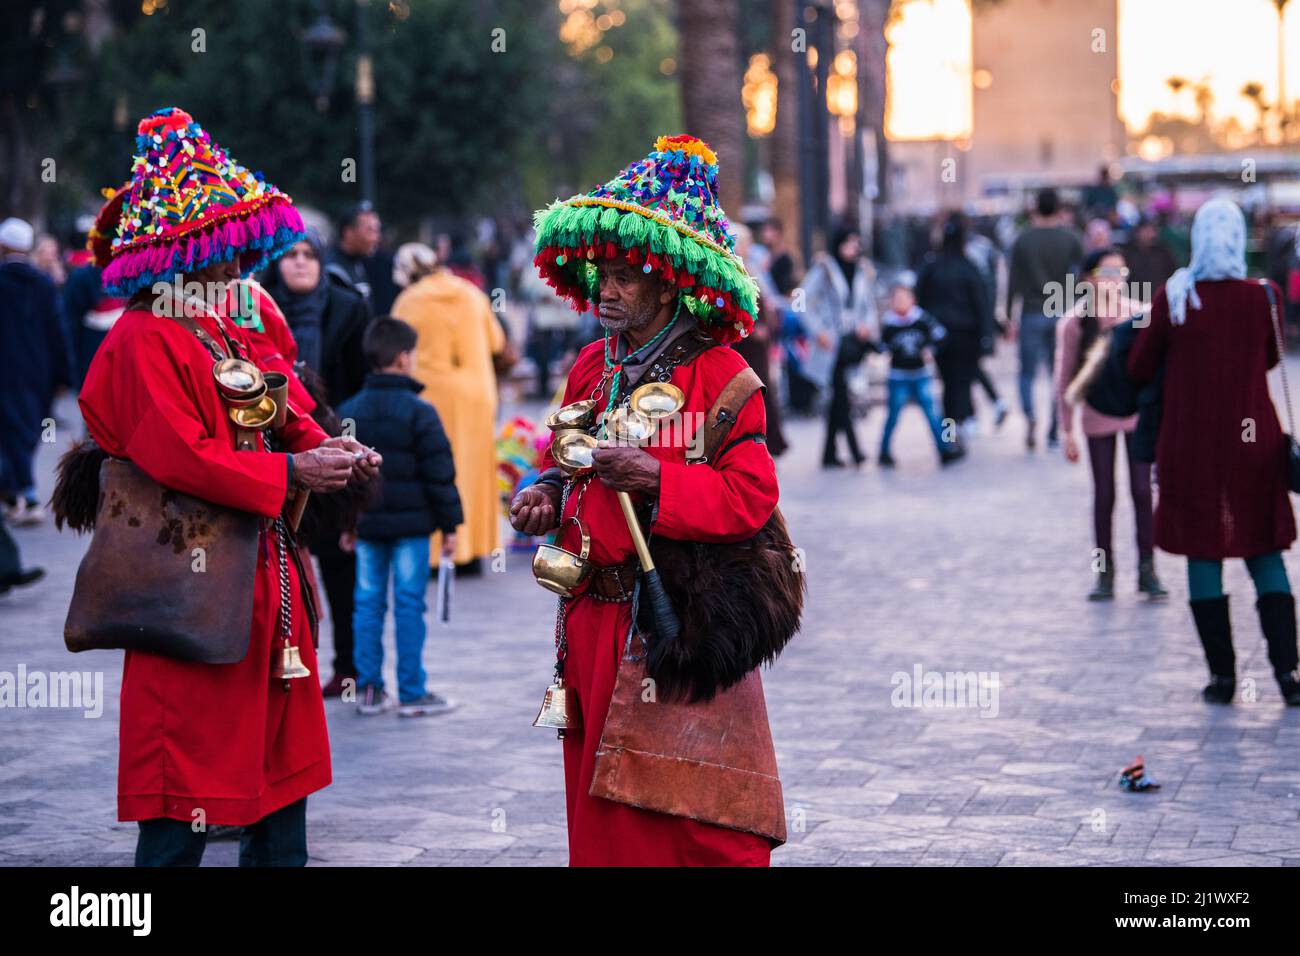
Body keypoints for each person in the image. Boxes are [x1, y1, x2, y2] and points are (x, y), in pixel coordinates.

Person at [74, 107, 381, 866]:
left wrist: (332, 449)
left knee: (280, 768)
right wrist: (290, 472)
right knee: (188, 766)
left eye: (235, 252)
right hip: (189, 577)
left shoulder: (220, 327)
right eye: (216, 256)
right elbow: (184, 456)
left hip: (263, 574)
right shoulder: (142, 340)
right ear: (173, 258)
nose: (233, 269)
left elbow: (283, 403)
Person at [513, 134, 791, 865]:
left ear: (668, 284)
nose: (605, 289)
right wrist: (544, 491)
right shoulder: (587, 366)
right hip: (588, 625)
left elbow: (752, 496)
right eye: (600, 274)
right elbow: (563, 464)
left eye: (626, 276)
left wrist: (658, 480)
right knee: (604, 814)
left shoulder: (723, 374)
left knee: (699, 821)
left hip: (674, 624)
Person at [1128, 198, 1300, 706]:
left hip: (1191, 446)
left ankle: (1223, 679)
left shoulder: (1175, 297)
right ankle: (1288, 677)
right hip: (1255, 445)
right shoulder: (1264, 295)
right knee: (1264, 550)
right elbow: (1270, 358)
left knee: (1205, 552)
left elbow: (1140, 366)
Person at [337, 317, 463, 717]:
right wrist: (450, 526)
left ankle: (370, 689)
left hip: (368, 526)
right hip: (412, 528)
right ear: (404, 358)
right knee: (409, 603)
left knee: (367, 602)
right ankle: (412, 691)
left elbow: (345, 478)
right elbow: (439, 474)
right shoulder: (421, 412)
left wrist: (348, 524)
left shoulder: (349, 411)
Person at [1055, 248, 1164, 601]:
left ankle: (1148, 571)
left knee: (1141, 491)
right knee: (1105, 494)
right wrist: (1065, 428)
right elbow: (1065, 378)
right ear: (1088, 279)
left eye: (1121, 272)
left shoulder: (1141, 314)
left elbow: (1158, 371)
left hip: (1135, 413)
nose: (1115, 279)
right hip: (1097, 412)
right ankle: (1105, 575)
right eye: (1108, 272)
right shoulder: (1074, 323)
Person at [391, 242, 504, 573]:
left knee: (434, 469)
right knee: (475, 468)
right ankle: (473, 551)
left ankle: (436, 553)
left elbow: (395, 350)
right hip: (477, 394)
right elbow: (496, 342)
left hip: (431, 396)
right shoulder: (472, 293)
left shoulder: (407, 301)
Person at [0, 217, 73, 526]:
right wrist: (63, 375)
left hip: (5, 369)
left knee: (11, 431)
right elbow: (58, 331)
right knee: (27, 430)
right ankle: (16, 489)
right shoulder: (43, 284)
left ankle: (25, 494)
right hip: (37, 372)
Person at [1007, 188, 1084, 451]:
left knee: (1027, 372)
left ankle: (1030, 416)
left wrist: (1007, 315)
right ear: (1059, 208)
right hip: (1062, 310)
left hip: (1031, 311)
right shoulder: (1071, 238)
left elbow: (1013, 280)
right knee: (1059, 372)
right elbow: (1082, 276)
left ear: (1035, 208)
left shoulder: (1023, 240)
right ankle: (1054, 429)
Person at [261, 232, 370, 406]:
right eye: (291, 254)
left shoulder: (348, 308)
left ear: (321, 263)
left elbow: (361, 375)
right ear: (277, 263)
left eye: (310, 255)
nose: (300, 262)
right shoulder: (260, 308)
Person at [801, 226, 877, 468]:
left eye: (856, 242)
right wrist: (817, 330)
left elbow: (868, 305)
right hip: (830, 343)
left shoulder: (863, 270)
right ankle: (855, 450)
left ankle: (829, 454)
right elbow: (801, 299)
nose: (854, 247)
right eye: (850, 242)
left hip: (852, 340)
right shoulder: (824, 269)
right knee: (840, 393)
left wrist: (867, 325)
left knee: (839, 395)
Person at [917, 214, 994, 440]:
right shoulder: (968, 267)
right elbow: (981, 303)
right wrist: (986, 335)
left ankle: (951, 428)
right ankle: (962, 421)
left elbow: (920, 299)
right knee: (961, 381)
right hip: (966, 334)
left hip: (940, 334)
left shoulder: (931, 266)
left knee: (949, 383)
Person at [874, 276, 963, 467]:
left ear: (912, 300)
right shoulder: (889, 324)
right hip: (898, 375)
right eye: (896, 299)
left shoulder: (921, 319)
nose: (900, 303)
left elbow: (940, 335)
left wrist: (931, 350)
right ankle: (883, 451)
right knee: (893, 415)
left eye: (904, 298)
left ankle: (946, 448)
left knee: (934, 415)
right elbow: (880, 347)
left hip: (921, 374)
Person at [326, 202, 398, 315]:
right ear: (348, 233)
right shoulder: (331, 270)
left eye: (377, 231)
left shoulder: (366, 262)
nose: (376, 238)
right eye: (370, 231)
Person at [1121, 216, 1178, 304]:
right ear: (1138, 232)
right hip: (1133, 300)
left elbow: (1172, 274)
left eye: (1153, 230)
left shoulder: (1163, 252)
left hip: (1157, 300)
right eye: (1147, 230)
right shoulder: (1127, 252)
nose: (1151, 235)